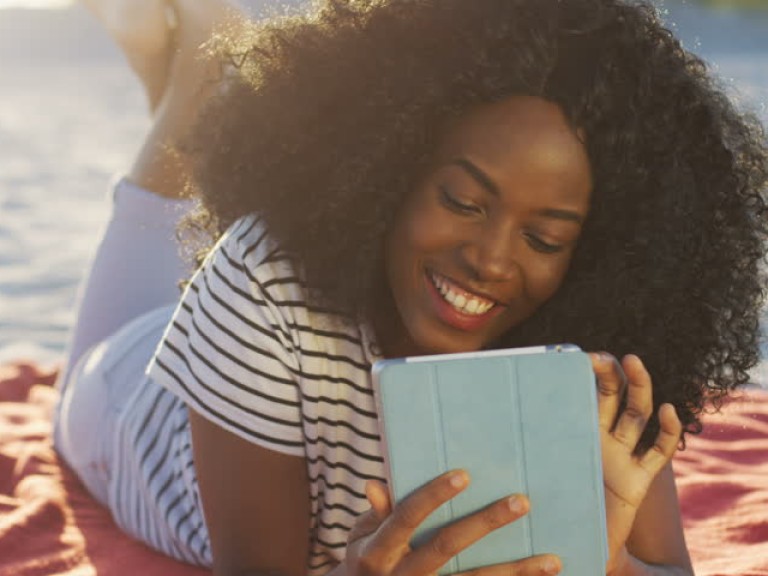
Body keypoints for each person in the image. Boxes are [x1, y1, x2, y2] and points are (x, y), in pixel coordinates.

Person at [53, 0, 768, 575]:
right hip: (127, 407)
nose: (490, 260)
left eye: (545, 239)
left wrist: (609, 561)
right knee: (168, 192)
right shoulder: (264, 278)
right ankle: (202, 44)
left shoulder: (598, 352)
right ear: (390, 167)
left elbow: (663, 568)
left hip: (231, 340)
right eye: (461, 200)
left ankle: (185, 64)